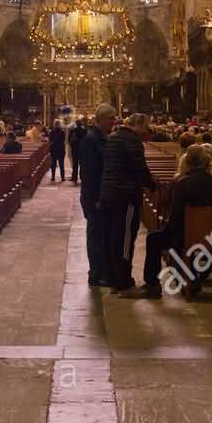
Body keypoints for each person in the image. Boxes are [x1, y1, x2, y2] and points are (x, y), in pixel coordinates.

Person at [142, 144, 212, 297]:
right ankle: (195, 278)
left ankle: (152, 285)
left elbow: (176, 216)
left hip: (184, 234)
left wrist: (166, 231)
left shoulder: (184, 182)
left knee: (153, 239)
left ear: (188, 161)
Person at [99, 113, 157, 296]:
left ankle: (115, 279)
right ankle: (124, 284)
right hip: (125, 196)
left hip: (109, 193)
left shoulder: (112, 138)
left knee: (114, 238)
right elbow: (140, 169)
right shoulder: (132, 141)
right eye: (145, 127)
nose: (146, 131)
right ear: (137, 125)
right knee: (125, 240)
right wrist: (153, 186)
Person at [79, 105, 117, 287]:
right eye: (111, 118)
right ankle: (96, 273)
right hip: (94, 196)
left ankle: (103, 271)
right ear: (100, 119)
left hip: (100, 195)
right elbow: (89, 172)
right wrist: (96, 198)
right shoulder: (90, 140)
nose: (114, 122)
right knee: (96, 235)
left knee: (102, 234)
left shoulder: (100, 138)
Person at [67, 119, 86, 183]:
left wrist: (72, 146)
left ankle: (74, 177)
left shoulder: (73, 131)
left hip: (75, 150)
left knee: (75, 164)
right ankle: (82, 177)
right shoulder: (84, 131)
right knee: (82, 164)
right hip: (82, 150)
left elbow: (69, 140)